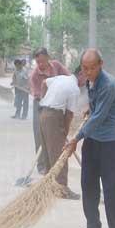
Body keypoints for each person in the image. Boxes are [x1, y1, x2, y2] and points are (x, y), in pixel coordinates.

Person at [64, 49, 115, 228]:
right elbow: (96, 110)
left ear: (101, 64)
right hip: (93, 138)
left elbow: (100, 117)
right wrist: (90, 108)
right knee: (88, 182)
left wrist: (76, 138)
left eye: (92, 68)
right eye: (85, 68)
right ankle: (93, 224)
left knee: (112, 187)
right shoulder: (91, 81)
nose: (88, 72)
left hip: (111, 141)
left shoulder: (109, 84)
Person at [39, 68, 82, 200]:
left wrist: (44, 98)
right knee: (60, 153)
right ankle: (62, 189)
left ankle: (48, 186)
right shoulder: (74, 89)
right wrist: (65, 131)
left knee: (48, 152)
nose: (86, 81)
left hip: (43, 113)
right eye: (85, 77)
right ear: (80, 74)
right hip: (54, 117)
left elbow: (44, 83)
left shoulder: (61, 78)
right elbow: (69, 115)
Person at [30, 47, 70, 174]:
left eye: (42, 61)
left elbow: (68, 77)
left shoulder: (57, 66)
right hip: (41, 106)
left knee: (57, 135)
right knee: (39, 134)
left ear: (48, 58)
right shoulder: (34, 75)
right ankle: (42, 165)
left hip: (57, 106)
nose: (40, 64)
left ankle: (56, 163)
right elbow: (37, 94)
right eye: (38, 62)